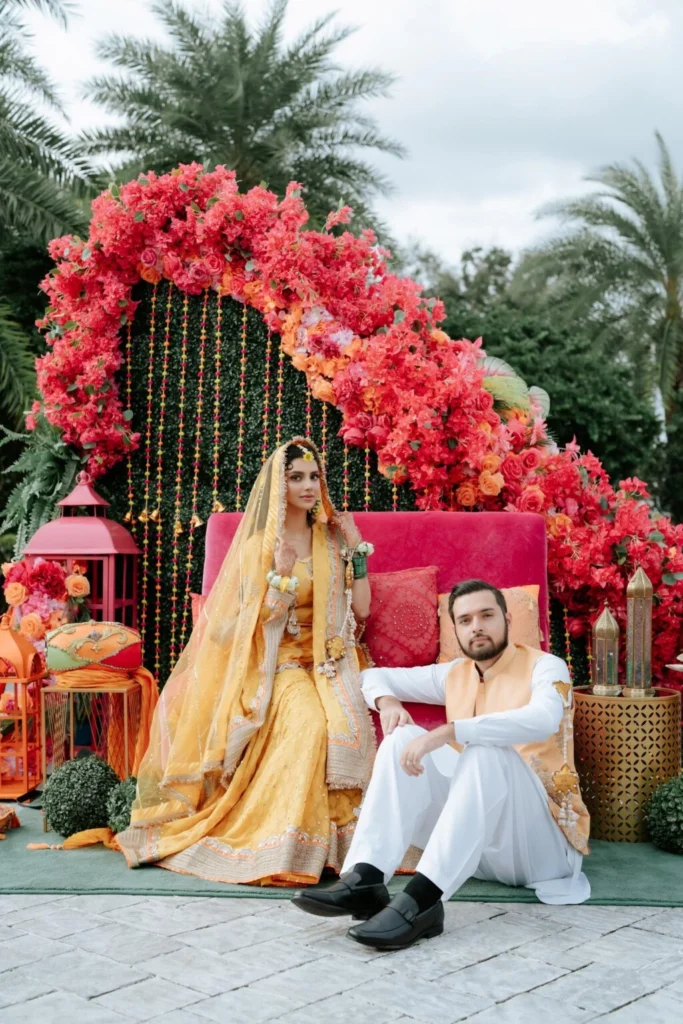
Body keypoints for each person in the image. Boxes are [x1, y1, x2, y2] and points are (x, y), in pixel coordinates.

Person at [117, 438, 375, 885]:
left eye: (314, 476)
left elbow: (363, 612)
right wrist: (279, 576)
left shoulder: (332, 537)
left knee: (341, 725)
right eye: (296, 477)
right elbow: (238, 628)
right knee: (311, 726)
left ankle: (347, 846)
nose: (308, 485)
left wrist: (357, 550)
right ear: (280, 485)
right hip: (283, 664)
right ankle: (290, 846)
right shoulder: (260, 545)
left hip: (335, 661)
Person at [292, 578, 591, 949]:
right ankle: (366, 879)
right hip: (476, 850)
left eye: (486, 615)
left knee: (485, 749)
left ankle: (423, 901)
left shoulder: (546, 667)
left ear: (507, 620)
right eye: (465, 621)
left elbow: (543, 719)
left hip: (540, 846)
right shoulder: (455, 674)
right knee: (401, 737)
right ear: (457, 630)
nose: (476, 626)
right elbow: (372, 676)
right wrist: (388, 703)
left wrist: (450, 731)